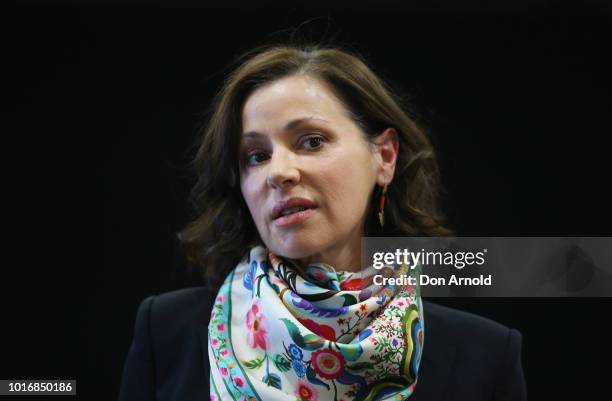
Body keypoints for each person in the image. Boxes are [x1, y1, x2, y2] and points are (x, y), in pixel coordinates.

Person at [119, 44, 526, 401]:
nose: (279, 171)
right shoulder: (168, 332)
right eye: (256, 156)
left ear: (384, 157)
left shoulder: (483, 355)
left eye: (311, 141)